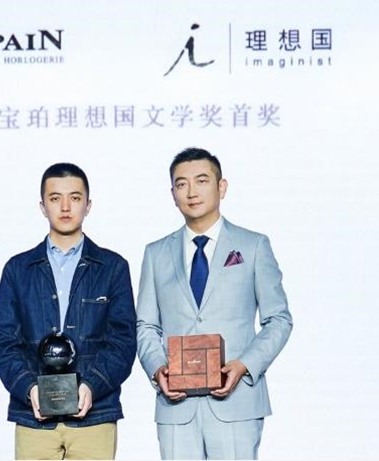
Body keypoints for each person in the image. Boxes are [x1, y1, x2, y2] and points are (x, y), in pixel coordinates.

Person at [136, 148, 293, 460]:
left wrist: (245, 365)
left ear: (222, 187)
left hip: (237, 402)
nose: (192, 192)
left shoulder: (253, 245)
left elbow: (279, 319)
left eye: (202, 181)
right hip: (176, 405)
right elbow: (146, 325)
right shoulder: (156, 253)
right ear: (172, 194)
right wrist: (158, 369)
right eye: (181, 184)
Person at [0, 163, 136, 460]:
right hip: (34, 416)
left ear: (88, 205)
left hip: (95, 415)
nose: (66, 207)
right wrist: (29, 388)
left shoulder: (112, 268)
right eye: (55, 198)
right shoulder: (18, 269)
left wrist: (92, 386)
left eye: (75, 198)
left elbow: (123, 341)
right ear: (42, 207)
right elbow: (3, 342)